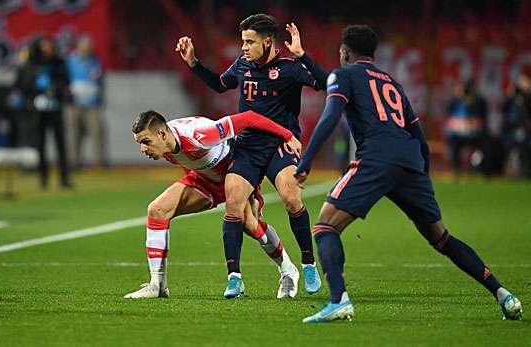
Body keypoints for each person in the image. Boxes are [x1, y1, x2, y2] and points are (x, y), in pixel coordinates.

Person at [295, 25, 523, 323]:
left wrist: (307, 160)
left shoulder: (345, 75)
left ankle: (339, 300)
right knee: (441, 237)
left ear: (344, 52)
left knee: (325, 226)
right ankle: (503, 294)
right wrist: (422, 177)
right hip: (410, 163)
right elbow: (420, 137)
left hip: (376, 159)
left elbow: (330, 115)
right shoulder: (392, 83)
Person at [176, 14, 327, 298]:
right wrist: (193, 63)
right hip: (247, 144)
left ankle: (308, 264)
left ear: (267, 41)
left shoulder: (290, 68)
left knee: (290, 197)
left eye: (249, 41)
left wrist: (303, 55)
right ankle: (235, 277)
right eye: (242, 41)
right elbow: (221, 84)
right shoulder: (242, 65)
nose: (243, 47)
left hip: (282, 143)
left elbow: (325, 83)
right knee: (233, 201)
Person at [125, 109, 303, 299]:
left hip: (236, 176)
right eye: (139, 144)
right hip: (204, 180)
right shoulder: (165, 144)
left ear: (162, 133)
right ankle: (157, 285)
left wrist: (288, 135)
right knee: (157, 210)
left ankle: (288, 270)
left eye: (146, 142)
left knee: (250, 224)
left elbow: (249, 118)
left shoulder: (199, 135)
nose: (143, 149)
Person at [15, 37, 72, 188]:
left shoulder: (58, 63)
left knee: (60, 143)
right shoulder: (31, 64)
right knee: (40, 143)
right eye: (44, 45)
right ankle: (43, 177)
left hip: (55, 107)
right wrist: (37, 91)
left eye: (49, 45)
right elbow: (21, 84)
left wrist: (56, 89)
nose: (48, 48)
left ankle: (64, 178)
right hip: (37, 109)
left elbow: (66, 81)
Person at [66, 36, 106, 168]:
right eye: (86, 46)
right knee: (75, 134)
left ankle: (98, 162)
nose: (88, 49)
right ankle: (74, 161)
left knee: (97, 132)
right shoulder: (71, 61)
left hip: (92, 104)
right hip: (75, 104)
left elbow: (100, 81)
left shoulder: (95, 62)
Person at [444, 80, 488, 177]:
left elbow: (481, 121)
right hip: (458, 135)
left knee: (481, 147)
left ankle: (477, 169)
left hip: (475, 134)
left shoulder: (479, 102)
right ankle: (456, 169)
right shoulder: (455, 102)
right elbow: (449, 117)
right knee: (454, 143)